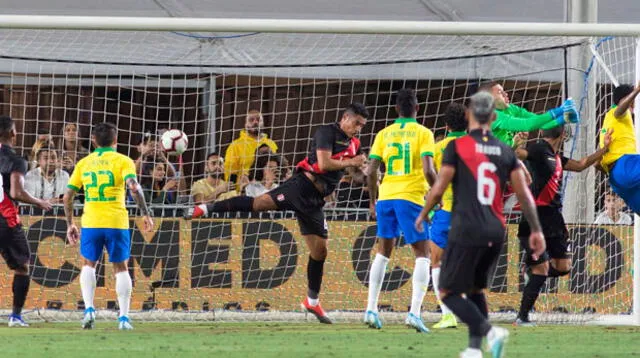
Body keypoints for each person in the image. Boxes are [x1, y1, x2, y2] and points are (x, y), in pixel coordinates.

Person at [188, 103, 369, 324]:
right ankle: (205, 208)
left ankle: (312, 301)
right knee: (258, 204)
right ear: (345, 118)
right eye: (356, 123)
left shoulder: (355, 144)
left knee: (320, 252)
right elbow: (323, 163)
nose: (358, 128)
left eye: (362, 125)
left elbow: (353, 173)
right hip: (301, 186)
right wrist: (353, 161)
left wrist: (366, 172)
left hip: (315, 202)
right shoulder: (327, 132)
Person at [414, 92, 546, 358]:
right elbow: (524, 192)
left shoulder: (457, 147)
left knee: (448, 292)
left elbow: (439, 187)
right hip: (495, 230)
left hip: (467, 227)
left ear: (469, 115)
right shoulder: (505, 150)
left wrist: (423, 214)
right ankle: (474, 349)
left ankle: (489, 332)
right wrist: (536, 229)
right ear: (494, 117)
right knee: (475, 288)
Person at [515, 125, 612, 326]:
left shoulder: (557, 157)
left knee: (563, 267)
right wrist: (519, 142)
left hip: (554, 219)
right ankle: (522, 316)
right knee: (541, 269)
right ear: (564, 135)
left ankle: (531, 271)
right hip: (534, 217)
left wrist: (604, 149)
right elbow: (519, 153)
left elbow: (581, 164)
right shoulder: (539, 149)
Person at [63, 122, 154, 330]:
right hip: (116, 221)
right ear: (116, 140)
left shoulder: (84, 163)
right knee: (121, 268)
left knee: (88, 265)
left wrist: (70, 224)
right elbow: (134, 187)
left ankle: (88, 310)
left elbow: (68, 196)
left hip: (91, 221)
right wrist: (145, 213)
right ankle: (123, 318)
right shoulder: (124, 161)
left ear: (94, 141)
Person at [363, 88, 437, 333]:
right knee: (423, 254)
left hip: (386, 197)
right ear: (417, 108)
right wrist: (437, 191)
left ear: (396, 110)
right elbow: (428, 169)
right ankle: (414, 313)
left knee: (383, 252)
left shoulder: (383, 133)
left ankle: (371, 309)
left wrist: (374, 200)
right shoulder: (424, 133)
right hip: (411, 197)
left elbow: (371, 170)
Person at [0, 115, 52, 327]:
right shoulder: (15, 159)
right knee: (21, 266)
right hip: (5, 219)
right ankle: (15, 316)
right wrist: (40, 202)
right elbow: (17, 191)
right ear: (13, 133)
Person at [429, 102, 467, 330]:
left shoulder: (438, 148)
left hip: (446, 211)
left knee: (437, 262)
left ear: (446, 125)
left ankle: (447, 314)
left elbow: (429, 175)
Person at [479, 81, 579, 148]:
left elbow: (539, 122)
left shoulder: (510, 108)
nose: (506, 94)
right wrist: (561, 110)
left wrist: (563, 119)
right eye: (501, 93)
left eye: (504, 91)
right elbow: (527, 125)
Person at [598, 83, 640, 214]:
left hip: (616, 180)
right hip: (626, 165)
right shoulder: (618, 113)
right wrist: (637, 90)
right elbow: (620, 109)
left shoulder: (608, 125)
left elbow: (596, 163)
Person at [224, 110, 278, 184]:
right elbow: (230, 173)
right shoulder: (235, 146)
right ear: (245, 124)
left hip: (269, 189)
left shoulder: (272, 144)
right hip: (245, 191)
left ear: (263, 123)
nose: (255, 122)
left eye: (258, 120)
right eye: (251, 120)